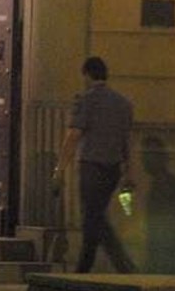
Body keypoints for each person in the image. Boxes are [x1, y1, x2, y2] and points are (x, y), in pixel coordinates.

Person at [52, 56, 136, 273]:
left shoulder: (85, 100)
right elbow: (127, 140)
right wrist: (129, 172)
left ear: (87, 75)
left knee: (92, 217)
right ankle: (117, 266)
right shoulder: (123, 103)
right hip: (113, 169)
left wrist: (59, 170)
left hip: (91, 167)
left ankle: (92, 268)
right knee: (96, 216)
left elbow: (73, 136)